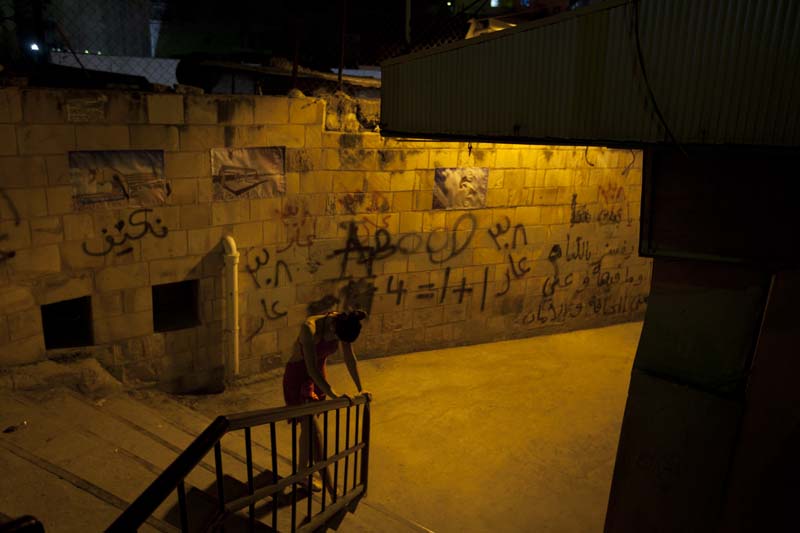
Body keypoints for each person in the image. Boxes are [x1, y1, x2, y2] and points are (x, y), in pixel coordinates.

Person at [282, 309, 371, 494]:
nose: (336, 340)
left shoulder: (341, 322)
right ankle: (327, 485)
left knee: (308, 429)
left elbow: (349, 357)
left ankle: (301, 474)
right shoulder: (309, 328)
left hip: (319, 376)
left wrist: (360, 387)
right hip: (299, 376)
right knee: (313, 430)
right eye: (335, 337)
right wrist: (335, 395)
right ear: (332, 326)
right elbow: (311, 369)